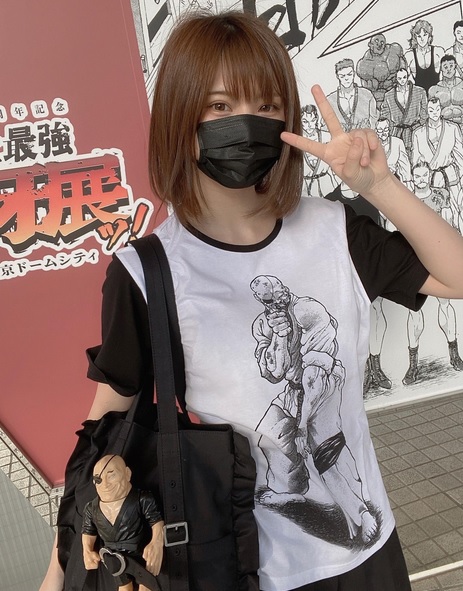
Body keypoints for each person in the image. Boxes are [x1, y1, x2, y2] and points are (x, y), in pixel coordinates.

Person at [40, 10, 463, 591]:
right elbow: (104, 432)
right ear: (181, 117)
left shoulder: (335, 230)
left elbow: (455, 276)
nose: (246, 123)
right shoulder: (148, 272)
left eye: (267, 105)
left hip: (369, 563)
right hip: (246, 570)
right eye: (219, 106)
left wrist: (380, 187)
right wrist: (60, 569)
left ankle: (353, 511)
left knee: (324, 447)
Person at [82, 455, 164, 591]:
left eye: (111, 475)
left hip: (140, 557)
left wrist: (156, 542)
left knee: (146, 587)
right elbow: (88, 531)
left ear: (127, 473)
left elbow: (156, 521)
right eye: (98, 479)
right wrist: (87, 550)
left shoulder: (141, 499)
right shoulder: (91, 508)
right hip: (113, 559)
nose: (105, 484)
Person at [326, 58, 378, 131]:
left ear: (354, 74)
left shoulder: (367, 95)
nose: (346, 78)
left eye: (349, 74)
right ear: (337, 76)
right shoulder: (330, 100)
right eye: (342, 76)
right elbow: (325, 125)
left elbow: (374, 120)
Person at [405, 20, 445, 93]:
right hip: (419, 95)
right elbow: (407, 81)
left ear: (429, 35)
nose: (422, 39)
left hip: (437, 93)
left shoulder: (438, 52)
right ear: (415, 37)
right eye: (419, 36)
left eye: (425, 35)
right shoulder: (409, 56)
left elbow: (444, 76)